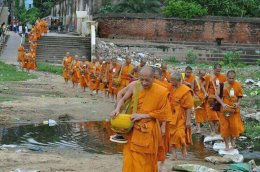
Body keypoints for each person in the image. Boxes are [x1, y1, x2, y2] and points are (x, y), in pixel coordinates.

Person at [111, 66, 172, 172]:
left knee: (145, 163)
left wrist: (143, 115)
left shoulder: (161, 91)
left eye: (147, 80)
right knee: (129, 160)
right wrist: (117, 109)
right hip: (132, 129)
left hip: (148, 131)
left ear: (154, 78)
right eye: (141, 79)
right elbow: (123, 98)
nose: (144, 82)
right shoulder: (135, 85)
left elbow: (164, 113)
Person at [166, 72, 193, 160]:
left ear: (178, 80)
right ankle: (174, 155)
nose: (171, 81)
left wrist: (188, 120)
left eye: (172, 80)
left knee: (180, 134)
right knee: (171, 134)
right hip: (171, 115)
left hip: (181, 116)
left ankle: (184, 152)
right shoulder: (170, 87)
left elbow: (189, 107)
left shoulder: (185, 90)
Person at [215, 70, 244, 150]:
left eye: (233, 78)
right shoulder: (222, 85)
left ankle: (232, 141)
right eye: (229, 78)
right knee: (224, 127)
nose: (231, 80)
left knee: (233, 126)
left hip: (234, 109)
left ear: (235, 77)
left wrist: (238, 103)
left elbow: (240, 96)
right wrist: (222, 103)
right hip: (224, 108)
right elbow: (216, 95)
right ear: (226, 77)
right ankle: (226, 145)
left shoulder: (238, 85)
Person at [205, 63, 226, 135]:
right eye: (217, 71)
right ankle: (213, 131)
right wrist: (205, 93)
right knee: (210, 115)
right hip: (211, 98)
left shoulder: (223, 77)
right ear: (214, 69)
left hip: (219, 98)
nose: (218, 72)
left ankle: (219, 129)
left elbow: (224, 87)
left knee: (220, 114)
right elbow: (204, 84)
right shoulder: (208, 76)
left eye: (219, 71)